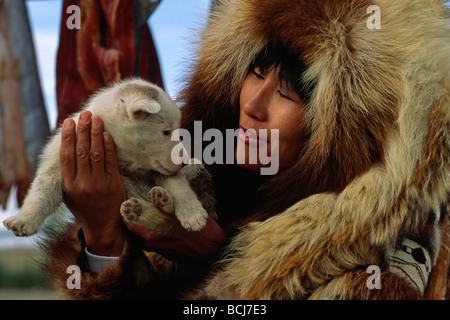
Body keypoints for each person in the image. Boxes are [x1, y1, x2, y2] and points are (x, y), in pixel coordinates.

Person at [42, 0, 449, 300]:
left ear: (341, 130)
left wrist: (216, 256)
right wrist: (101, 240)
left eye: (292, 92)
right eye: (255, 70)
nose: (253, 104)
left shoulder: (383, 262)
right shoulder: (188, 190)